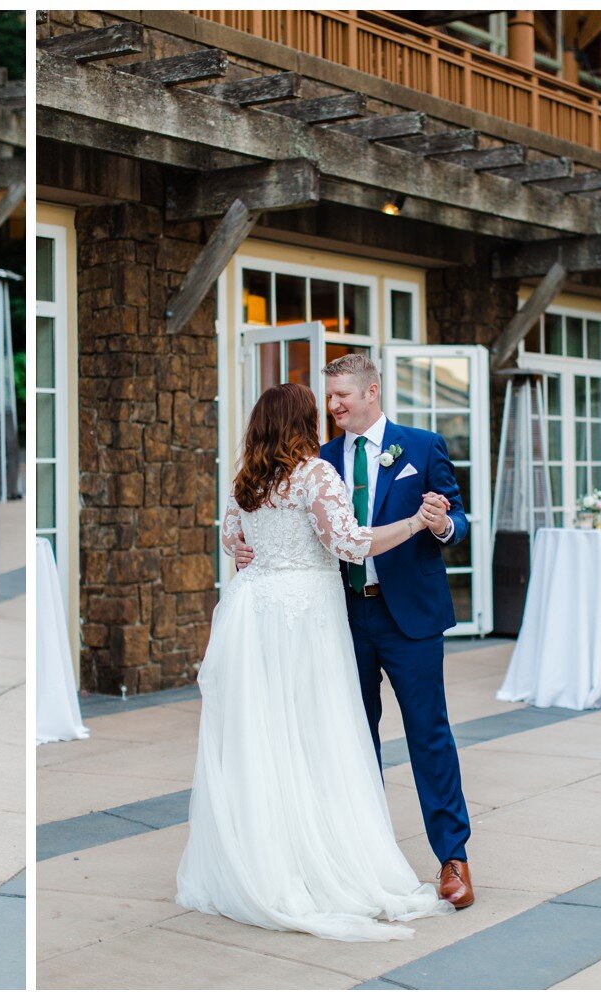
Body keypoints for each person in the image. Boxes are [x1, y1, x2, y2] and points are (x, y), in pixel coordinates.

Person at [176, 382, 455, 942]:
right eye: (319, 407)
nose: (331, 412)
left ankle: (267, 862)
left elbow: (233, 541)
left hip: (257, 613)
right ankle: (319, 861)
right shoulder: (315, 472)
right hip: (305, 616)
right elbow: (351, 544)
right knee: (319, 734)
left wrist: (252, 553)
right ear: (303, 421)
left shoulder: (245, 481)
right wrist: (416, 524)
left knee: (267, 736)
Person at [233, 353, 474, 910]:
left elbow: (460, 520)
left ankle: (453, 857)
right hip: (340, 616)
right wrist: (245, 545)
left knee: (428, 735)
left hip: (409, 616)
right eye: (330, 397)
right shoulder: (314, 459)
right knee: (347, 739)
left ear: (372, 390)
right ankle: (361, 856)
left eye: (344, 395)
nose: (335, 406)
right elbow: (280, 519)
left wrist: (441, 524)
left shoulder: (421, 446)